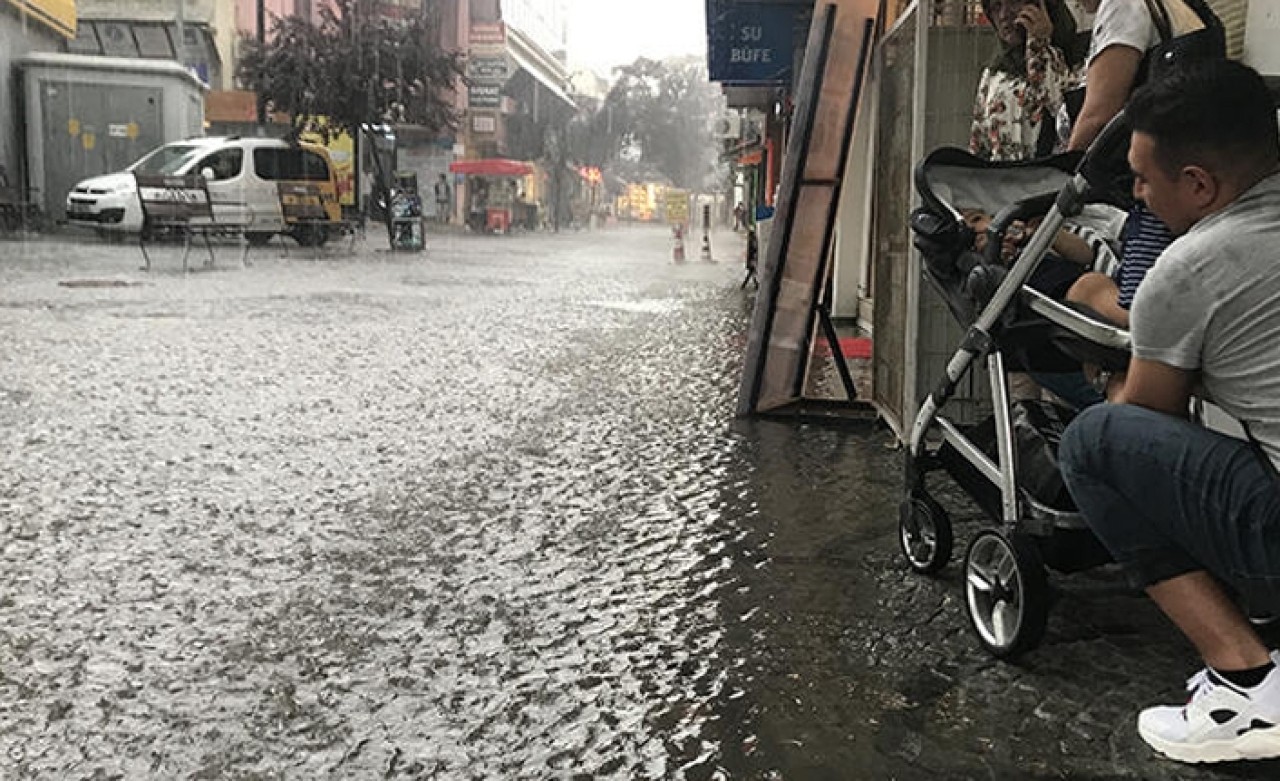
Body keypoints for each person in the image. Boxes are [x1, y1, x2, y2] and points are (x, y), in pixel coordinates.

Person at [1059, 61, 1280, 765]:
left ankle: (1244, 685)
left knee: (1094, 443)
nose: (1138, 195)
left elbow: (1147, 427)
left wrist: (1098, 314)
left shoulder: (1189, 268)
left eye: (1143, 178)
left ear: (1198, 184)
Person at [969, 0, 1084, 162]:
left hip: (1053, 178)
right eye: (996, 7)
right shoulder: (995, 74)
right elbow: (980, 145)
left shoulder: (1079, 59)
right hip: (1004, 182)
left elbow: (1060, 110)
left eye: (1013, 2)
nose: (1004, 15)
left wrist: (1040, 45)